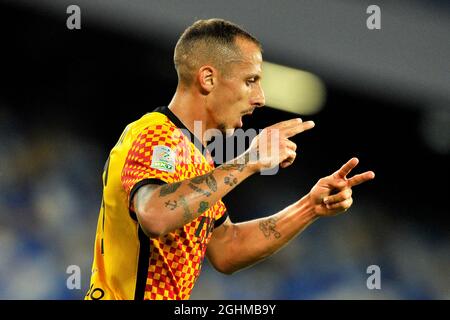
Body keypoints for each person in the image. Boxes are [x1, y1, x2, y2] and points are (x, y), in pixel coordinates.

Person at [85, 18, 375, 300]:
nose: (261, 98)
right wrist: (249, 160)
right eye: (251, 81)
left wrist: (310, 207)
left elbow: (227, 248)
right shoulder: (155, 134)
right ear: (208, 78)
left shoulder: (196, 158)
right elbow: (154, 215)